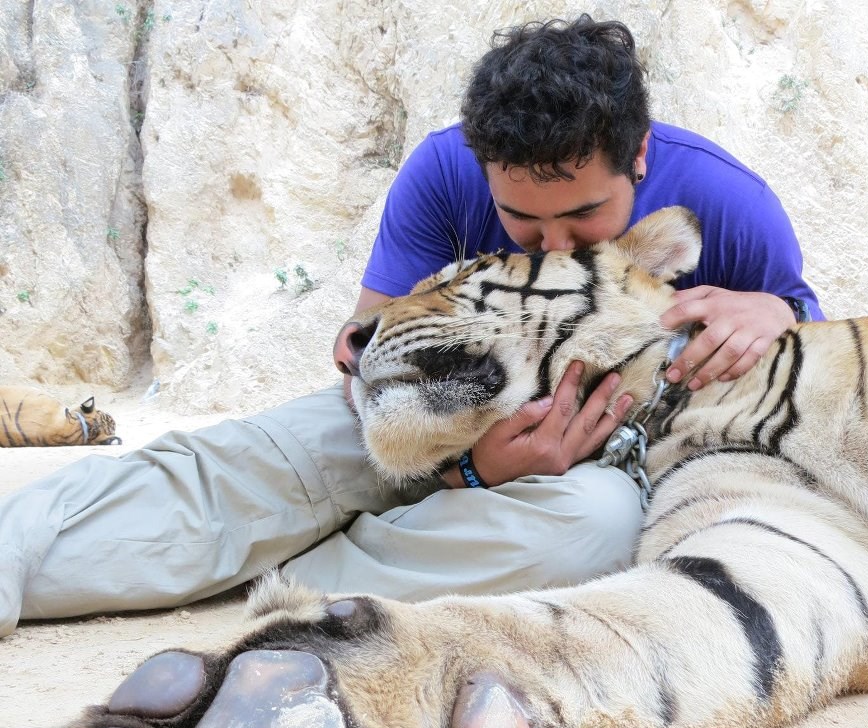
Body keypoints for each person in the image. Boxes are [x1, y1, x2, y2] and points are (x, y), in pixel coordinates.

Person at [0, 15, 822, 639]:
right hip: (445, 416)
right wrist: (465, 467)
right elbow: (367, 346)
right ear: (483, 169)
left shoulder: (727, 203)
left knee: (596, 525)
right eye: (522, 225)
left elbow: (813, 368)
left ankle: (288, 575)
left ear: (639, 156)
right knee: (286, 452)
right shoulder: (440, 171)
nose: (557, 247)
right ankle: (20, 549)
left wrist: (783, 308)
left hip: (600, 465)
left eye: (584, 216)